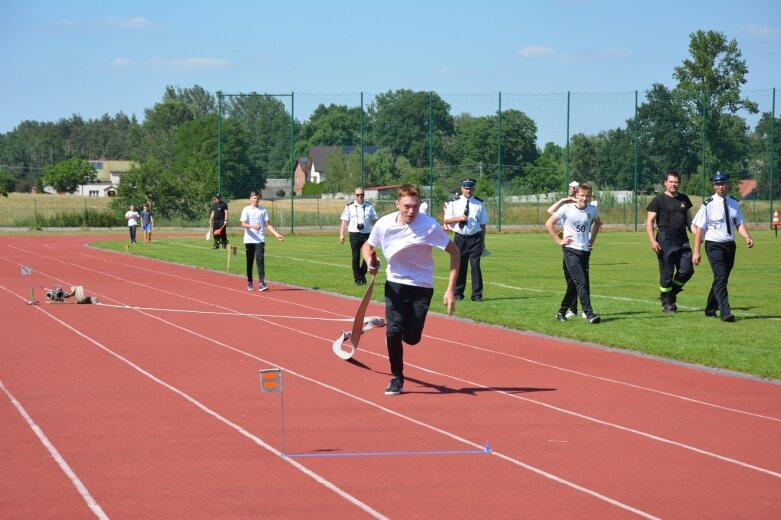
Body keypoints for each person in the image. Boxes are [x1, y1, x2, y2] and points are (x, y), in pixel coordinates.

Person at [362, 184, 460, 395]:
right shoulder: (384, 224)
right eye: (406, 206)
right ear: (397, 204)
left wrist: (451, 288)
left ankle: (388, 323)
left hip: (422, 286)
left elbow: (455, 252)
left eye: (415, 206)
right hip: (395, 284)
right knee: (394, 333)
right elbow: (367, 246)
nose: (411, 211)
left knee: (412, 338)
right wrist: (370, 263)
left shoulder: (429, 226)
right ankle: (397, 377)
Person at [692, 172, 754, 322]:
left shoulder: (733, 202)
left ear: (727, 184)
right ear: (714, 186)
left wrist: (746, 236)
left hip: (730, 245)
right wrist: (696, 251)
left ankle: (710, 308)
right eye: (717, 184)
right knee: (721, 277)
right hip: (714, 245)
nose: (720, 186)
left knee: (722, 278)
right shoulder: (708, 204)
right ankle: (725, 312)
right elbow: (699, 228)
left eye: (723, 183)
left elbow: (738, 222)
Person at [545, 183, 603, 324]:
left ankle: (561, 311)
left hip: (584, 250)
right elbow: (549, 223)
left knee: (574, 284)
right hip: (570, 250)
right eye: (582, 195)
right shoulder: (567, 209)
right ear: (576, 195)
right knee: (581, 281)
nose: (584, 198)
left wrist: (591, 241)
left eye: (587, 196)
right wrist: (559, 240)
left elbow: (598, 223)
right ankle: (589, 314)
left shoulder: (592, 210)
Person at [645, 170, 694, 313]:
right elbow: (649, 222)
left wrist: (697, 234)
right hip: (665, 239)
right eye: (671, 181)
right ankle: (667, 304)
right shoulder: (658, 200)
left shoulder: (684, 199)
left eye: (676, 182)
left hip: (682, 239)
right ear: (665, 183)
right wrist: (652, 241)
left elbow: (689, 221)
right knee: (667, 273)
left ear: (679, 183)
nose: (674, 184)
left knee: (687, 271)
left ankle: (669, 295)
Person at [443, 178, 489, 302]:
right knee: (461, 265)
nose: (468, 190)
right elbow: (446, 220)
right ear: (462, 188)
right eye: (466, 188)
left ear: (474, 189)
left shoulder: (479, 203)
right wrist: (458, 218)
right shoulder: (454, 202)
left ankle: (477, 295)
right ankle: (458, 293)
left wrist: (483, 240)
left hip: (475, 238)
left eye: (470, 188)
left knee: (475, 266)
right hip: (460, 238)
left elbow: (483, 224)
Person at [547, 180, 581, 318]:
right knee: (570, 280)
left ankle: (581, 309)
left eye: (570, 188)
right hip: (567, 248)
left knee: (579, 280)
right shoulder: (566, 210)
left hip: (579, 247)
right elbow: (550, 211)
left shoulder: (582, 207)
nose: (569, 190)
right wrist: (563, 200)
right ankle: (573, 309)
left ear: (575, 189)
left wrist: (573, 200)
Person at [240, 191, 284, 292]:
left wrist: (277, 235)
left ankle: (261, 283)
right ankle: (250, 282)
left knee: (260, 260)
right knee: (249, 261)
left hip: (260, 239)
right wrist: (252, 226)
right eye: (254, 198)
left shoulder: (263, 210)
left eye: (258, 198)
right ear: (250, 198)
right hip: (249, 239)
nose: (256, 200)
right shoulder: (246, 209)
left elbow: (268, 225)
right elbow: (243, 224)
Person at [339, 187, 379, 285]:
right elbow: (344, 221)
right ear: (355, 195)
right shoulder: (349, 206)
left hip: (367, 234)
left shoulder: (369, 206)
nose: (360, 196)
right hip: (354, 234)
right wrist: (341, 234)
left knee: (367, 257)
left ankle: (361, 274)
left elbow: (376, 221)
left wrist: (378, 233)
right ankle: (357, 279)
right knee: (356, 257)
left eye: (362, 195)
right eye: (358, 195)